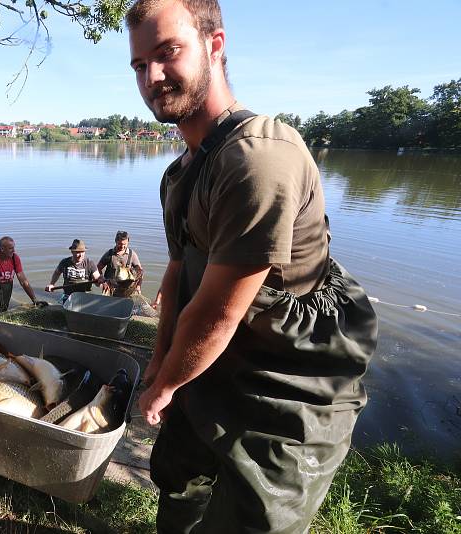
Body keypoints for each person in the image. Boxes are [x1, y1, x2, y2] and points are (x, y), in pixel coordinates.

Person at [126, 1, 378, 532]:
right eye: (139, 64)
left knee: (253, 522)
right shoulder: (179, 174)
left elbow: (219, 312)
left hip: (289, 385)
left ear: (215, 46)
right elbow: (176, 276)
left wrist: (165, 386)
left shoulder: (258, 159)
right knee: (176, 480)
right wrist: (160, 362)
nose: (152, 76)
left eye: (167, 53)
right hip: (209, 360)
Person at [0, 236, 44, 316]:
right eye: (10, 248)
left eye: (13, 248)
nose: (14, 250)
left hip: (5, 290)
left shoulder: (14, 258)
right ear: (2, 249)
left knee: (3, 313)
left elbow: (23, 282)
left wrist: (34, 300)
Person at [97, 230, 143, 297]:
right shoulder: (109, 254)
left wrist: (138, 286)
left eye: (124, 244)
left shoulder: (132, 254)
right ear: (116, 241)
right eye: (120, 244)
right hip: (111, 288)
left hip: (127, 290)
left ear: (128, 242)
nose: (122, 246)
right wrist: (103, 280)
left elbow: (140, 272)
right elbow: (98, 268)